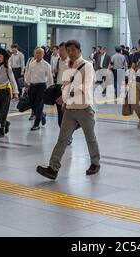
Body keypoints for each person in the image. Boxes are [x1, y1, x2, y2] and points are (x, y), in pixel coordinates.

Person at [36, 40, 101, 180]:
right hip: (69, 109)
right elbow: (66, 85)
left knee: (90, 138)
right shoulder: (67, 65)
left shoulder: (87, 66)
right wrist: (62, 97)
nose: (70, 53)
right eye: (68, 50)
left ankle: (95, 163)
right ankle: (53, 168)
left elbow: (85, 86)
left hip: (84, 108)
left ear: (79, 50)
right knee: (62, 139)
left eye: (73, 50)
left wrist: (66, 95)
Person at [24, 47, 54, 131]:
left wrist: (48, 89)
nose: (37, 54)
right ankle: (42, 115)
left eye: (39, 53)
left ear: (43, 54)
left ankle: (36, 124)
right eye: (36, 53)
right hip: (32, 86)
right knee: (32, 105)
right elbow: (28, 75)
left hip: (42, 87)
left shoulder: (46, 65)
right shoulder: (32, 63)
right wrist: (27, 85)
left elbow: (50, 78)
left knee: (39, 105)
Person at [52, 43, 72, 146]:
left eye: (62, 50)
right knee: (60, 116)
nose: (60, 52)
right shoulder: (58, 61)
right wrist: (55, 72)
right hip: (58, 88)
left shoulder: (71, 62)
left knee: (66, 115)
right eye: (59, 50)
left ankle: (68, 136)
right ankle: (66, 135)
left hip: (67, 90)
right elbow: (55, 75)